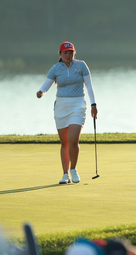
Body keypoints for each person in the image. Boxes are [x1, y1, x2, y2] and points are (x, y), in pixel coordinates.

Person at [36, 41, 97, 184]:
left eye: (71, 53)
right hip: (61, 107)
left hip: (78, 105)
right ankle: (65, 174)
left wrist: (94, 104)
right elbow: (46, 85)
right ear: (60, 54)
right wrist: (41, 92)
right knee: (64, 142)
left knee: (73, 139)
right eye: (65, 53)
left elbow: (89, 87)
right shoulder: (55, 68)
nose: (68, 55)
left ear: (74, 53)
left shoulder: (81, 66)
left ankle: (73, 169)